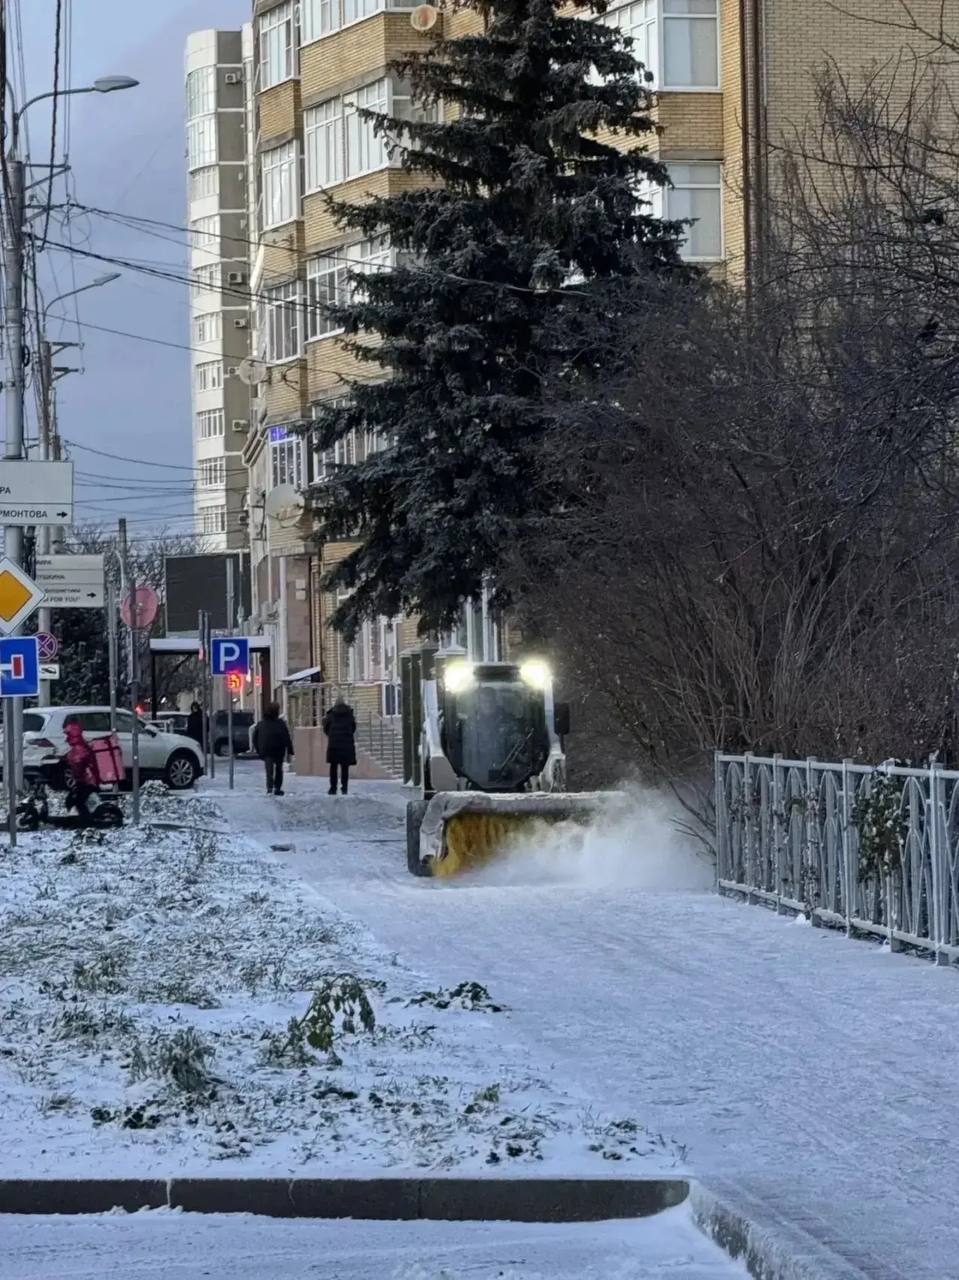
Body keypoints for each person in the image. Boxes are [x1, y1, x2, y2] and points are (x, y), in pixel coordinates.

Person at [62, 717, 101, 822]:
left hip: (87, 781)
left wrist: (76, 775)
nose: (66, 738)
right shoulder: (79, 746)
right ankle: (80, 819)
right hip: (86, 780)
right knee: (73, 800)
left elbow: (78, 763)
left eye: (67, 735)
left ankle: (86, 821)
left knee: (78, 801)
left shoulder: (79, 748)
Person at [252, 702, 295, 796]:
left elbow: (255, 737)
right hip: (279, 749)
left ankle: (270, 788)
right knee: (279, 769)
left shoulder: (261, 723)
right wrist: (290, 749)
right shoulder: (280, 723)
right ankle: (277, 788)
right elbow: (286, 736)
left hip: (266, 749)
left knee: (269, 770)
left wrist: (258, 749)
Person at [323, 698, 356, 796]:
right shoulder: (349, 715)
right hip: (346, 744)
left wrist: (331, 735)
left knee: (333, 767)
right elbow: (353, 728)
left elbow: (326, 728)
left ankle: (333, 788)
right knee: (345, 767)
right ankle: (344, 788)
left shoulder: (331, 715)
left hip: (334, 744)